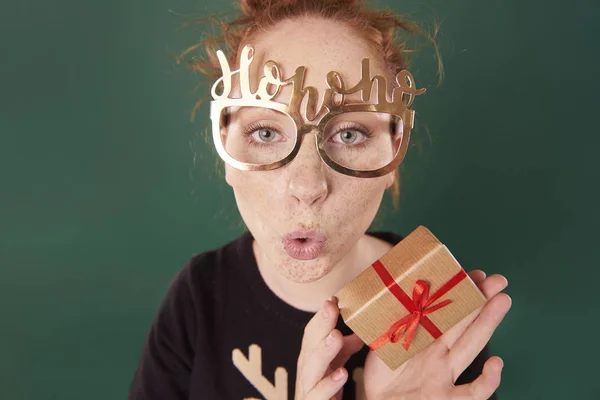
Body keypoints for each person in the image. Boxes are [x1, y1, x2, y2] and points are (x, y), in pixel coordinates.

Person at [128, 0, 512, 399]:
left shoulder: (431, 301)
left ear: (394, 152)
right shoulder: (200, 298)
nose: (308, 186)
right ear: (226, 145)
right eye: (265, 133)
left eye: (349, 134)